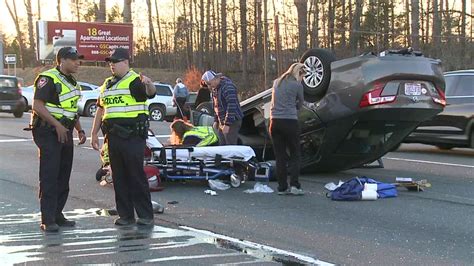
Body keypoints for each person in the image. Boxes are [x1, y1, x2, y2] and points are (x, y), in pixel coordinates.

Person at [90, 48, 157, 226]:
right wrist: (94, 133)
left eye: (115, 61)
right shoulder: (107, 84)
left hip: (132, 136)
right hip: (112, 136)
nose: (111, 64)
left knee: (135, 175)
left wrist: (149, 84)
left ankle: (145, 216)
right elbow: (100, 108)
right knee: (118, 176)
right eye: (110, 62)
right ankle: (126, 215)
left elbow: (149, 93)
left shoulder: (134, 81)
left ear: (126, 62)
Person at [30, 47, 87, 232]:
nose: (77, 62)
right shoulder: (48, 78)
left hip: (65, 131)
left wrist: (80, 129)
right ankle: (48, 219)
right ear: (61, 60)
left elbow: (71, 109)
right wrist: (56, 125)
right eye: (73, 59)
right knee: (50, 175)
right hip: (48, 132)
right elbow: (37, 105)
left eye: (78, 59)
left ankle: (57, 214)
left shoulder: (72, 82)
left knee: (63, 175)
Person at [269, 62, 305, 196]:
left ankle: (282, 187)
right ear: (299, 73)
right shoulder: (297, 85)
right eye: (303, 76)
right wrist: (294, 106)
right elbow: (300, 103)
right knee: (295, 154)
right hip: (290, 122)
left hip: (274, 122)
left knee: (280, 156)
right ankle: (295, 186)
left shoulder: (276, 82)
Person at [201, 70, 243, 145]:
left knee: (230, 145)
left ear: (214, 79)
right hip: (222, 121)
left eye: (209, 84)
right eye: (207, 84)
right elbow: (216, 106)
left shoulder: (228, 87)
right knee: (221, 144)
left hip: (232, 121)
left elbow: (231, 106)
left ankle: (233, 156)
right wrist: (216, 120)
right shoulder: (215, 89)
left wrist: (227, 124)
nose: (209, 86)